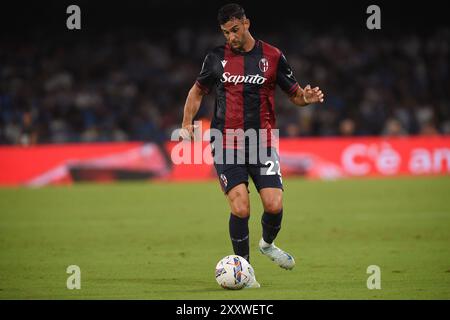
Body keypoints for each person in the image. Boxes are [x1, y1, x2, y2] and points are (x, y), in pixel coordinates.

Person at [180, 3, 324, 288]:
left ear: (246, 23)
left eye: (234, 30)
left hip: (262, 142)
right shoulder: (215, 57)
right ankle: (245, 272)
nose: (230, 37)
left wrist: (306, 97)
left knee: (273, 204)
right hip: (225, 141)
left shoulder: (272, 56)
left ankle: (268, 244)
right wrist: (186, 123)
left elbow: (294, 94)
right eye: (225, 32)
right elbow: (197, 91)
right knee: (241, 207)